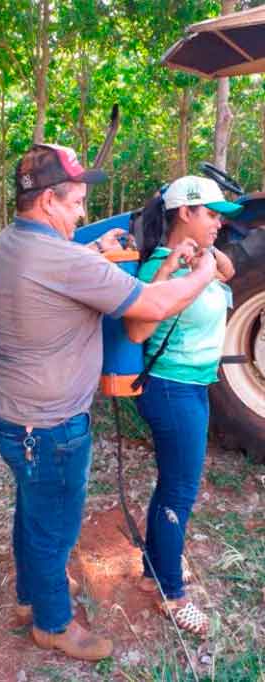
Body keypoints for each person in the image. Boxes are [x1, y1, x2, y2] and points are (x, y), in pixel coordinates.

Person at [0, 144, 219, 662]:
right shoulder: (61, 259)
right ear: (48, 201)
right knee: (55, 528)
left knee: (32, 509)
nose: (83, 213)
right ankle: (53, 625)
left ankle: (30, 599)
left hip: (10, 414)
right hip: (48, 425)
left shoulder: (10, 242)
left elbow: (56, 269)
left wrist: (94, 250)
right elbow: (154, 305)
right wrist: (202, 273)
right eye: (75, 204)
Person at [123, 176, 240, 637]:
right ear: (185, 213)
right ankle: (169, 593)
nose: (218, 224)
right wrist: (188, 268)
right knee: (179, 491)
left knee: (173, 485)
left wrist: (208, 256)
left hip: (192, 387)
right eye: (211, 215)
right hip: (171, 391)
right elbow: (137, 330)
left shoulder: (199, 260)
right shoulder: (160, 267)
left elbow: (227, 272)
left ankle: (158, 565)